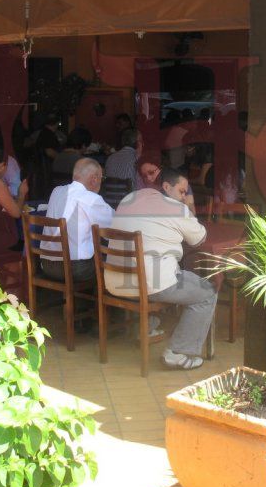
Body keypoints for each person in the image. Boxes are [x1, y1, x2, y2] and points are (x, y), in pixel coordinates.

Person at [104, 168, 217, 370]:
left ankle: (147, 327)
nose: (184, 196)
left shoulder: (130, 198)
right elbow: (199, 238)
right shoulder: (176, 208)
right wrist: (188, 208)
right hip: (150, 284)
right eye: (182, 191)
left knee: (169, 274)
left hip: (115, 281)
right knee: (207, 292)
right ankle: (178, 353)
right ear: (166, 186)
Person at [40, 158, 114, 283]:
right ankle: (103, 296)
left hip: (47, 266)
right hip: (76, 269)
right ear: (94, 179)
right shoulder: (91, 199)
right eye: (102, 178)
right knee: (116, 261)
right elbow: (116, 226)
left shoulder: (56, 191)